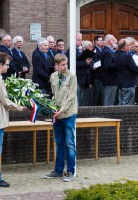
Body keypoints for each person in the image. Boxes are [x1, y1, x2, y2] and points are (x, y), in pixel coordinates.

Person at [0, 52, 27, 187]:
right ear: (0, 64)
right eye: (7, 65)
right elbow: (5, 101)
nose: (8, 67)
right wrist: (20, 107)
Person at [44, 53, 77, 182]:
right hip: (57, 114)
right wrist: (51, 107)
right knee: (58, 142)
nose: (65, 67)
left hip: (68, 114)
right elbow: (54, 94)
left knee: (70, 143)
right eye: (62, 65)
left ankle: (70, 172)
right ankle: (58, 171)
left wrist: (61, 110)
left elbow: (71, 96)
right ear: (56, 66)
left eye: (66, 64)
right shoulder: (53, 76)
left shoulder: (71, 77)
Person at [115, 38, 138, 105]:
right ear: (125, 47)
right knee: (128, 105)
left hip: (121, 83)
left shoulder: (116, 54)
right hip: (129, 84)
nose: (129, 46)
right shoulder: (127, 56)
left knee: (121, 103)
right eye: (128, 45)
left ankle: (120, 115)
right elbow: (135, 69)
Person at [101, 34, 118, 106]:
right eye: (114, 40)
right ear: (109, 41)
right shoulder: (107, 52)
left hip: (112, 80)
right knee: (109, 102)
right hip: (110, 80)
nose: (115, 41)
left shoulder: (109, 51)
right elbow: (107, 66)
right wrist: (118, 63)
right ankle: (106, 116)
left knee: (112, 101)